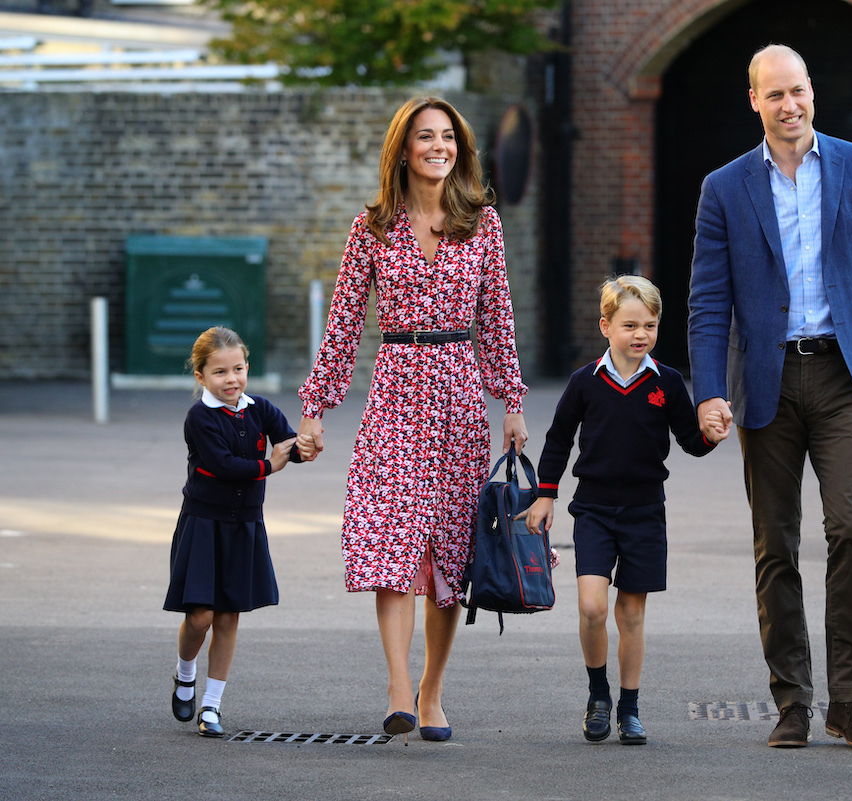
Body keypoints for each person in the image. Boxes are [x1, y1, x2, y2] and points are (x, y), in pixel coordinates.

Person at [687, 44, 852, 749]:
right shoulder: (724, 188)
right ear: (753, 101)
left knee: (851, 530)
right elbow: (707, 303)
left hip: (845, 375)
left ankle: (848, 700)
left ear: (812, 93)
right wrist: (708, 393)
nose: (789, 106)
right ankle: (791, 699)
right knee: (775, 545)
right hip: (765, 381)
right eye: (775, 95)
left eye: (798, 91)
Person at [296, 96, 528, 744]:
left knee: (450, 554)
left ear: (460, 147)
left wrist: (512, 402)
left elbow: (497, 321)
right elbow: (342, 325)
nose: (438, 147)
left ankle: (432, 688)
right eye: (425, 137)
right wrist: (314, 408)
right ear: (403, 147)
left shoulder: (482, 224)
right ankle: (399, 684)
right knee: (392, 539)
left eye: (447, 137)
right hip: (395, 391)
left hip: (457, 398)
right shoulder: (370, 227)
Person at [523, 276, 729, 745]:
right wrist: (545, 493)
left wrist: (711, 437)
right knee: (593, 607)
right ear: (606, 326)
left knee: (631, 615)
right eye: (630, 325)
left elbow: (690, 442)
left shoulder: (668, 382)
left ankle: (629, 709)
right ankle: (599, 695)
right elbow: (558, 439)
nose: (641, 334)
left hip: (644, 512)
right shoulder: (584, 382)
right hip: (593, 509)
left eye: (650, 326)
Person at [165, 326, 310, 738]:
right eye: (220, 372)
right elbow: (224, 466)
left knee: (228, 616)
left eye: (239, 369)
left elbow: (288, 445)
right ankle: (185, 672)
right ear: (200, 376)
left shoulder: (259, 408)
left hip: (245, 524)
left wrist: (306, 444)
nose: (231, 380)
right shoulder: (199, 418)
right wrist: (270, 465)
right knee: (200, 616)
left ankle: (211, 707)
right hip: (204, 522)